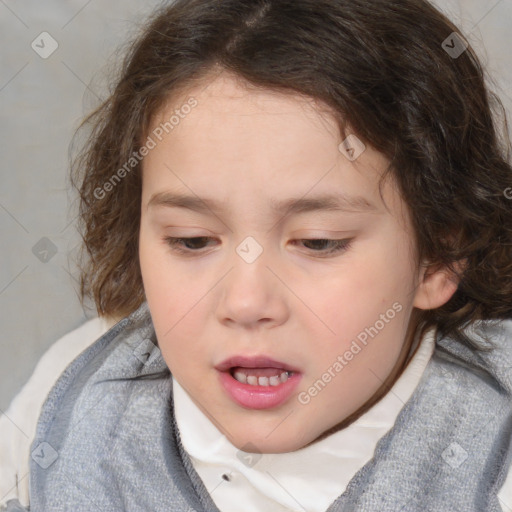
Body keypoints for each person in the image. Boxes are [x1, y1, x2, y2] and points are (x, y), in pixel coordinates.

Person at [1, 0, 512, 510]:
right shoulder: (72, 396)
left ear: (440, 256)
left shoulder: (490, 457)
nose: (246, 303)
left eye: (318, 242)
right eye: (191, 240)